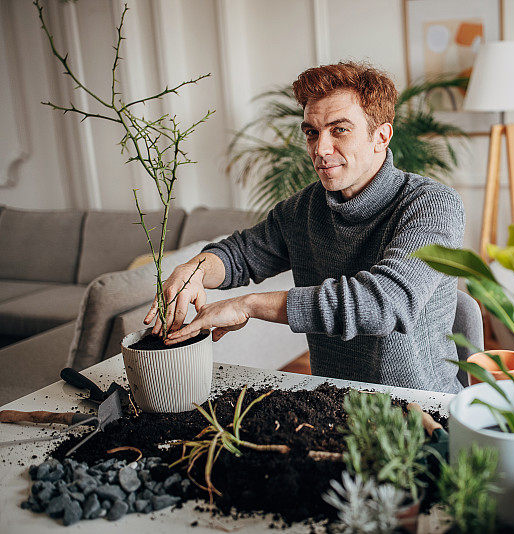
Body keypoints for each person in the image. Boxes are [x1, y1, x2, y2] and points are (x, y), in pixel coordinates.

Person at [144, 62, 465, 393]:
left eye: (339, 130)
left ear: (381, 137)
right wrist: (195, 269)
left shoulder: (432, 205)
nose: (320, 150)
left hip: (422, 410)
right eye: (312, 132)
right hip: (334, 401)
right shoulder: (303, 208)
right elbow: (241, 254)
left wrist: (247, 304)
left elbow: (383, 304)